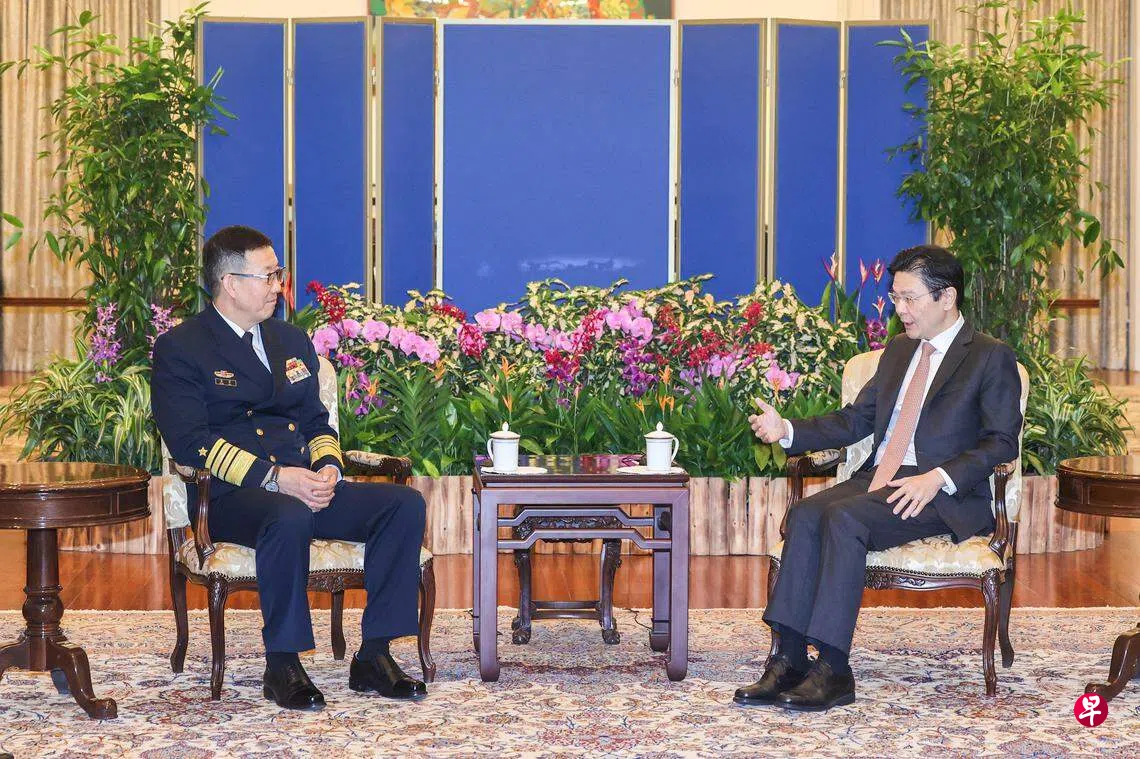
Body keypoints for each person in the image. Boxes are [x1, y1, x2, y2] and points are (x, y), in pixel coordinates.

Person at [152, 225, 428, 710]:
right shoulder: (183, 347)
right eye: (268, 276)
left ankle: (374, 654)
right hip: (232, 498)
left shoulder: (290, 339)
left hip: (304, 485)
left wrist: (328, 468)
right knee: (288, 513)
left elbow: (316, 421)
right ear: (230, 283)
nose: (278, 285)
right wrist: (278, 479)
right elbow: (192, 445)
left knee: (403, 505)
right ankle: (282, 663)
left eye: (277, 274)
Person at [735, 244, 1022, 712]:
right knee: (805, 514)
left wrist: (938, 477)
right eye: (895, 298)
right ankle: (788, 659)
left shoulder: (990, 357)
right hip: (881, 477)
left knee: (845, 518)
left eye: (910, 298)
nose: (899, 309)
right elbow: (855, 420)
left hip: (941, 492)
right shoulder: (899, 350)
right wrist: (787, 429)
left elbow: (1002, 442)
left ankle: (833, 669)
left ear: (947, 297)